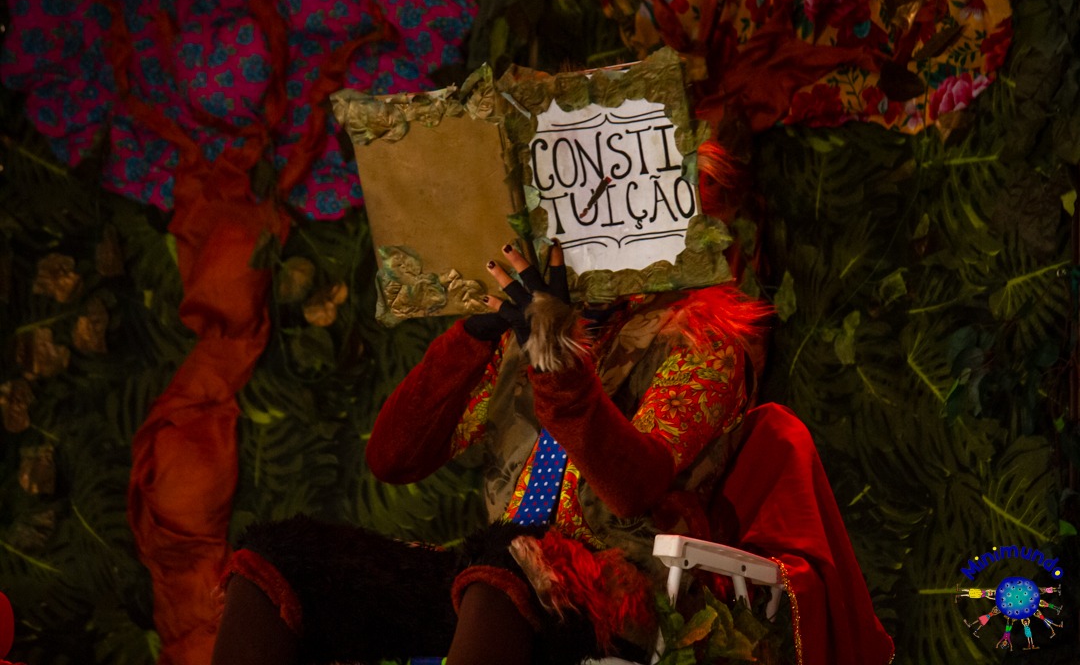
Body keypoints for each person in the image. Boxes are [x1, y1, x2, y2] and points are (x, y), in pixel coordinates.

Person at [211, 240, 771, 665]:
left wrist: (558, 365)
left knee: (509, 558)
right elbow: (392, 458)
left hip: (614, 593)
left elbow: (633, 488)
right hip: (490, 580)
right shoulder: (520, 332)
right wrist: (472, 335)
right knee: (280, 556)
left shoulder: (701, 334)